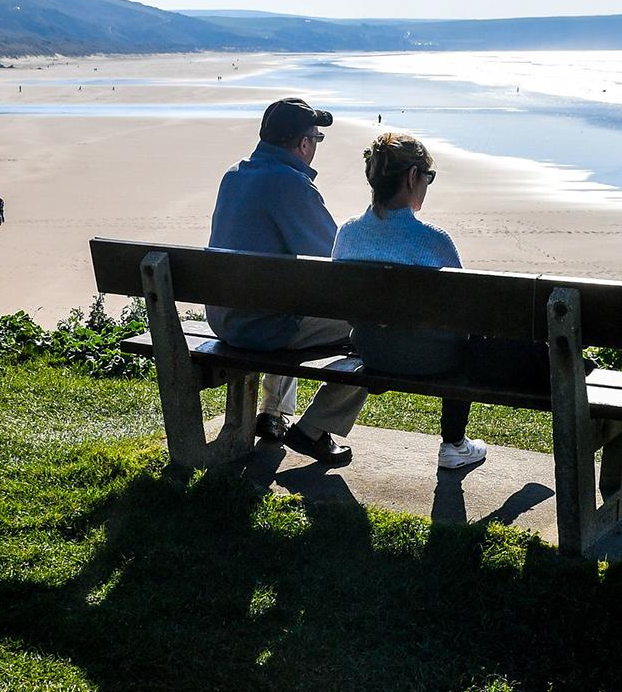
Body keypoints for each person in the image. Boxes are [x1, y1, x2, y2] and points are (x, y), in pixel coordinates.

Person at [332, 133, 552, 471]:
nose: (427, 185)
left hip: (372, 352)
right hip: (434, 361)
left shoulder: (348, 234)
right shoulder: (433, 242)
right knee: (473, 341)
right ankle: (453, 444)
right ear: (411, 177)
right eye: (428, 177)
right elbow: (468, 315)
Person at [207, 98, 369, 463]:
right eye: (317, 139)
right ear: (303, 143)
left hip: (223, 318)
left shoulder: (233, 175)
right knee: (374, 330)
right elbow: (336, 262)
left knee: (283, 297)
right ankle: (314, 429)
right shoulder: (291, 185)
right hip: (260, 326)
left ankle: (273, 413)